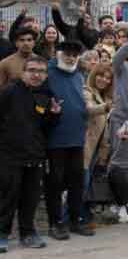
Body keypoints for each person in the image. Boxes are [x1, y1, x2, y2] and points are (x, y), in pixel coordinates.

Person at [0, 56, 61, 252]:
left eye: (41, 71)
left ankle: (28, 233)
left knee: (30, 198)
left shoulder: (46, 95)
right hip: (9, 155)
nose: (36, 75)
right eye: (32, 70)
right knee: (7, 197)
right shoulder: (9, 91)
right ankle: (2, 234)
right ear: (23, 72)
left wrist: (54, 115)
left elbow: (45, 127)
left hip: (35, 156)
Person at [45, 41, 93, 240]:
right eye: (67, 54)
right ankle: (55, 223)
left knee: (77, 182)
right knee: (55, 183)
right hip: (55, 139)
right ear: (59, 54)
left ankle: (75, 220)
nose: (71, 58)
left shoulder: (78, 75)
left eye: (75, 55)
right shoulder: (48, 72)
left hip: (76, 138)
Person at [82, 64, 113, 225]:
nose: (104, 80)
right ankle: (69, 218)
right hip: (85, 146)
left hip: (98, 149)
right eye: (101, 76)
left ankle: (83, 216)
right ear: (94, 75)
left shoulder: (106, 97)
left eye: (108, 78)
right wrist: (105, 107)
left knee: (87, 185)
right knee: (82, 183)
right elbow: (89, 109)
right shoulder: (87, 91)